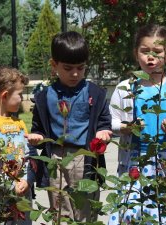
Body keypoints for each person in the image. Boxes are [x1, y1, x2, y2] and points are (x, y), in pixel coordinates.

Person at [26, 31, 112, 222]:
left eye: (80, 68)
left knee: (85, 210)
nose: (75, 73)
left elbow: (104, 120)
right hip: (56, 158)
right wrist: (37, 137)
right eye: (68, 68)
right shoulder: (44, 96)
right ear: (54, 65)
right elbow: (38, 127)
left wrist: (104, 131)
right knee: (60, 210)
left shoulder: (94, 93)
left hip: (86, 157)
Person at [108, 24, 166, 224]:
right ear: (135, 53)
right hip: (135, 161)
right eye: (144, 51)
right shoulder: (125, 88)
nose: (151, 57)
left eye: (157, 52)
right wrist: (127, 127)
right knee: (131, 212)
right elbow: (111, 122)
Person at [0, 65, 37, 225]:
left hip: (22, 192)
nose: (22, 98)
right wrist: (11, 186)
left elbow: (29, 156)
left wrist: (27, 180)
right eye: (20, 94)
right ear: (5, 95)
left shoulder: (19, 123)